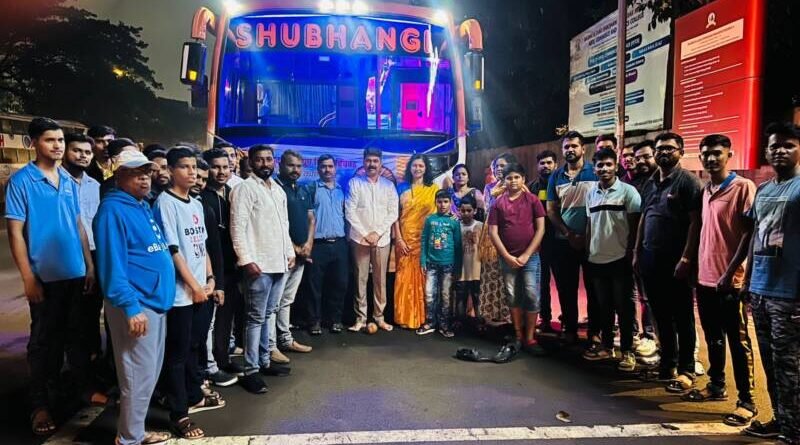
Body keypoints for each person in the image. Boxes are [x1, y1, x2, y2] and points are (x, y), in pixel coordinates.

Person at [5, 118, 96, 436]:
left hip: (75, 273)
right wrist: (28, 277)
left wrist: (88, 265)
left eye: (60, 140)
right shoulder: (21, 182)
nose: (57, 145)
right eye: (50, 140)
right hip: (45, 277)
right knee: (44, 344)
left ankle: (79, 391)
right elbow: (15, 233)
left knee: (77, 337)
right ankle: (39, 405)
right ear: (34, 143)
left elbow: (79, 225)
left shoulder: (68, 180)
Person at [93, 149, 173, 445]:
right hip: (137, 304)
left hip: (154, 301)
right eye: (135, 173)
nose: (144, 179)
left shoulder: (141, 205)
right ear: (119, 175)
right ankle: (128, 438)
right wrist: (130, 306)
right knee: (136, 375)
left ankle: (134, 433)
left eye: (147, 172)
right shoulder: (112, 211)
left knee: (147, 374)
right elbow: (112, 266)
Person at [685, 134, 757, 426]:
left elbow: (749, 234)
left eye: (717, 153)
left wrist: (730, 272)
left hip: (730, 281)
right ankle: (716, 385)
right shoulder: (706, 190)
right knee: (713, 336)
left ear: (730, 154)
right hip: (706, 278)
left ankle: (747, 401)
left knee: (738, 341)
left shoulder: (743, 187)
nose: (711, 158)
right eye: (706, 154)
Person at [154, 148, 224, 440]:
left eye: (194, 167)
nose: (192, 172)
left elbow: (202, 246)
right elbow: (173, 251)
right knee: (178, 354)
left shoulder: (195, 203)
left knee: (195, 347)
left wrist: (209, 279)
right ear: (170, 170)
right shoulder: (165, 203)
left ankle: (193, 395)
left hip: (200, 290)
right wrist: (193, 286)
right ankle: (178, 413)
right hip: (180, 295)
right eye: (184, 167)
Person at [741, 122, 800, 445]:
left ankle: (794, 429)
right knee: (770, 361)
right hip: (760, 290)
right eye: (775, 145)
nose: (780, 151)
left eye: (788, 145)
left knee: (789, 364)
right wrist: (747, 281)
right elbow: (754, 236)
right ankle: (780, 419)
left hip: (790, 294)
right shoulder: (763, 190)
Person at [633, 132, 702, 390]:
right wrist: (637, 251)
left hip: (676, 260)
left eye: (669, 149)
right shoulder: (651, 182)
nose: (663, 153)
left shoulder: (688, 182)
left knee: (682, 316)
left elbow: (696, 222)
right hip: (651, 258)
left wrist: (686, 257)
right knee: (660, 314)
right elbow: (645, 216)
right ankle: (667, 364)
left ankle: (686, 369)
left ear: (680, 152)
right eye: (660, 149)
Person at [230, 144, 294, 394]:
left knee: (269, 314)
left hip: (279, 262)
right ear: (251, 162)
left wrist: (289, 253)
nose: (265, 164)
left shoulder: (277, 189)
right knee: (255, 318)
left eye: (269, 159)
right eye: (259, 160)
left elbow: (284, 225)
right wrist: (246, 259)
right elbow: (237, 227)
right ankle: (251, 370)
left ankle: (265, 361)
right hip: (258, 265)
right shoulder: (244, 189)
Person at [584, 147, 641, 371]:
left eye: (608, 164)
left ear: (616, 167)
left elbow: (635, 226)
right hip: (596, 258)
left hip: (620, 258)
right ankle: (607, 346)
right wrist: (588, 251)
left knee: (624, 307)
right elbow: (590, 225)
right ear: (594, 168)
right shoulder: (591, 193)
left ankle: (627, 351)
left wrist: (632, 252)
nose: (604, 168)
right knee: (604, 306)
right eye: (600, 165)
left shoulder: (628, 192)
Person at [547, 131, 599, 345]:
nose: (570, 150)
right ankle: (569, 328)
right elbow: (551, 210)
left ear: (583, 149)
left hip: (592, 241)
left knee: (594, 288)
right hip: (564, 241)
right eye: (566, 147)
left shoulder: (595, 172)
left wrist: (586, 234)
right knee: (566, 288)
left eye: (574, 146)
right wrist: (568, 233)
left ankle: (595, 331)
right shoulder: (556, 176)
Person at [488, 163, 546, 352]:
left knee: (531, 294)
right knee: (512, 295)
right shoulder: (498, 203)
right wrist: (506, 256)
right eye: (509, 178)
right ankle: (518, 335)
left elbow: (541, 229)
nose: (513, 181)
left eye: (516, 177)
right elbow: (493, 232)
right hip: (507, 258)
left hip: (531, 257)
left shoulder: (533, 200)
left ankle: (530, 337)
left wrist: (527, 254)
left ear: (523, 179)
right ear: (503, 181)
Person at [201, 148, 245, 380]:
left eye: (226, 167)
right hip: (210, 268)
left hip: (231, 265)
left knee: (226, 317)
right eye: (215, 167)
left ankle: (223, 358)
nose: (221, 171)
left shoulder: (232, 193)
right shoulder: (202, 197)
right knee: (209, 321)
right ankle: (207, 366)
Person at [345, 147, 399, 332]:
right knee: (360, 279)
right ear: (363, 162)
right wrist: (365, 234)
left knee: (380, 280)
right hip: (359, 239)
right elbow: (350, 211)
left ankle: (379, 317)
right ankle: (360, 318)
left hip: (382, 240)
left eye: (375, 161)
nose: (372, 164)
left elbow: (393, 212)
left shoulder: (388, 186)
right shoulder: (355, 183)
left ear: (381, 164)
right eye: (368, 161)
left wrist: (378, 233)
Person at [62, 133, 104, 363]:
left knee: (91, 310)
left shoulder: (95, 186)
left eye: (87, 152)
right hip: (67, 255)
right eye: (76, 150)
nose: (82, 156)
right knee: (69, 314)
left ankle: (93, 358)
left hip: (94, 254)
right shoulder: (55, 183)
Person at [270, 150, 314, 364]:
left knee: (287, 300)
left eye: (298, 166)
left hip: (301, 255)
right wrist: (294, 248)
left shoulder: (302, 189)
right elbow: (275, 223)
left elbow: (311, 218)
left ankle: (285, 339)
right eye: (291, 165)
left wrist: (308, 245)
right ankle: (270, 346)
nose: (295, 170)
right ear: (280, 165)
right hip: (282, 255)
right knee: (273, 303)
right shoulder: (274, 188)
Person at [393, 154, 438, 330]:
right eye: (414, 165)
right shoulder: (401, 187)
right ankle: (404, 317)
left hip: (425, 241)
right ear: (409, 167)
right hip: (405, 241)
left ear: (426, 168)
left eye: (421, 166)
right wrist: (399, 239)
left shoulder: (433, 189)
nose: (417, 169)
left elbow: (436, 216)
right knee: (404, 278)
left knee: (425, 278)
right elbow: (394, 216)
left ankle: (424, 318)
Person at [306, 155, 349, 334]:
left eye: (330, 166)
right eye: (323, 166)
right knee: (314, 286)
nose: (327, 170)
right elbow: (307, 218)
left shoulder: (341, 190)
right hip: (318, 245)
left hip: (339, 243)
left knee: (339, 284)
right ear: (318, 169)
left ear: (335, 168)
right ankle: (314, 321)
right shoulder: (311, 188)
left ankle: (335, 320)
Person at [479, 153, 517, 326]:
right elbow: (487, 210)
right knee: (491, 274)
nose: (499, 169)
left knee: (507, 277)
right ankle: (491, 314)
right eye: (496, 166)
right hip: (490, 236)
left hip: (509, 235)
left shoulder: (516, 186)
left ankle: (509, 316)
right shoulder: (489, 188)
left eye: (502, 165)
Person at [418, 190, 462, 337]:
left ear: (450, 203)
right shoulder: (430, 219)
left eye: (445, 202)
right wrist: (423, 260)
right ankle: (430, 322)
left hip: (448, 264)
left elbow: (458, 245)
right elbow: (424, 240)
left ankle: (444, 325)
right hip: (431, 263)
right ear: (435, 202)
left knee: (446, 296)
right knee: (429, 294)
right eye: (439, 202)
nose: (442, 205)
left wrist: (458, 267)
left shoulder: (454, 221)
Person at [528, 150, 557, 333]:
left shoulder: (561, 184)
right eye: (542, 163)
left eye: (549, 162)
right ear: (537, 166)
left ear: (555, 164)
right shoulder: (531, 188)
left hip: (560, 240)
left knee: (564, 284)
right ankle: (545, 318)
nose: (545, 166)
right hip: (539, 243)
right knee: (542, 283)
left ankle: (568, 323)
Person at [454, 194, 483, 327]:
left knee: (477, 296)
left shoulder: (480, 226)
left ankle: (479, 323)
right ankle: (460, 322)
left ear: (475, 211)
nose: (466, 213)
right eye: (463, 210)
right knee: (460, 296)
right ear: (459, 210)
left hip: (476, 269)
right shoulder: (456, 226)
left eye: (469, 210)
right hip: (461, 269)